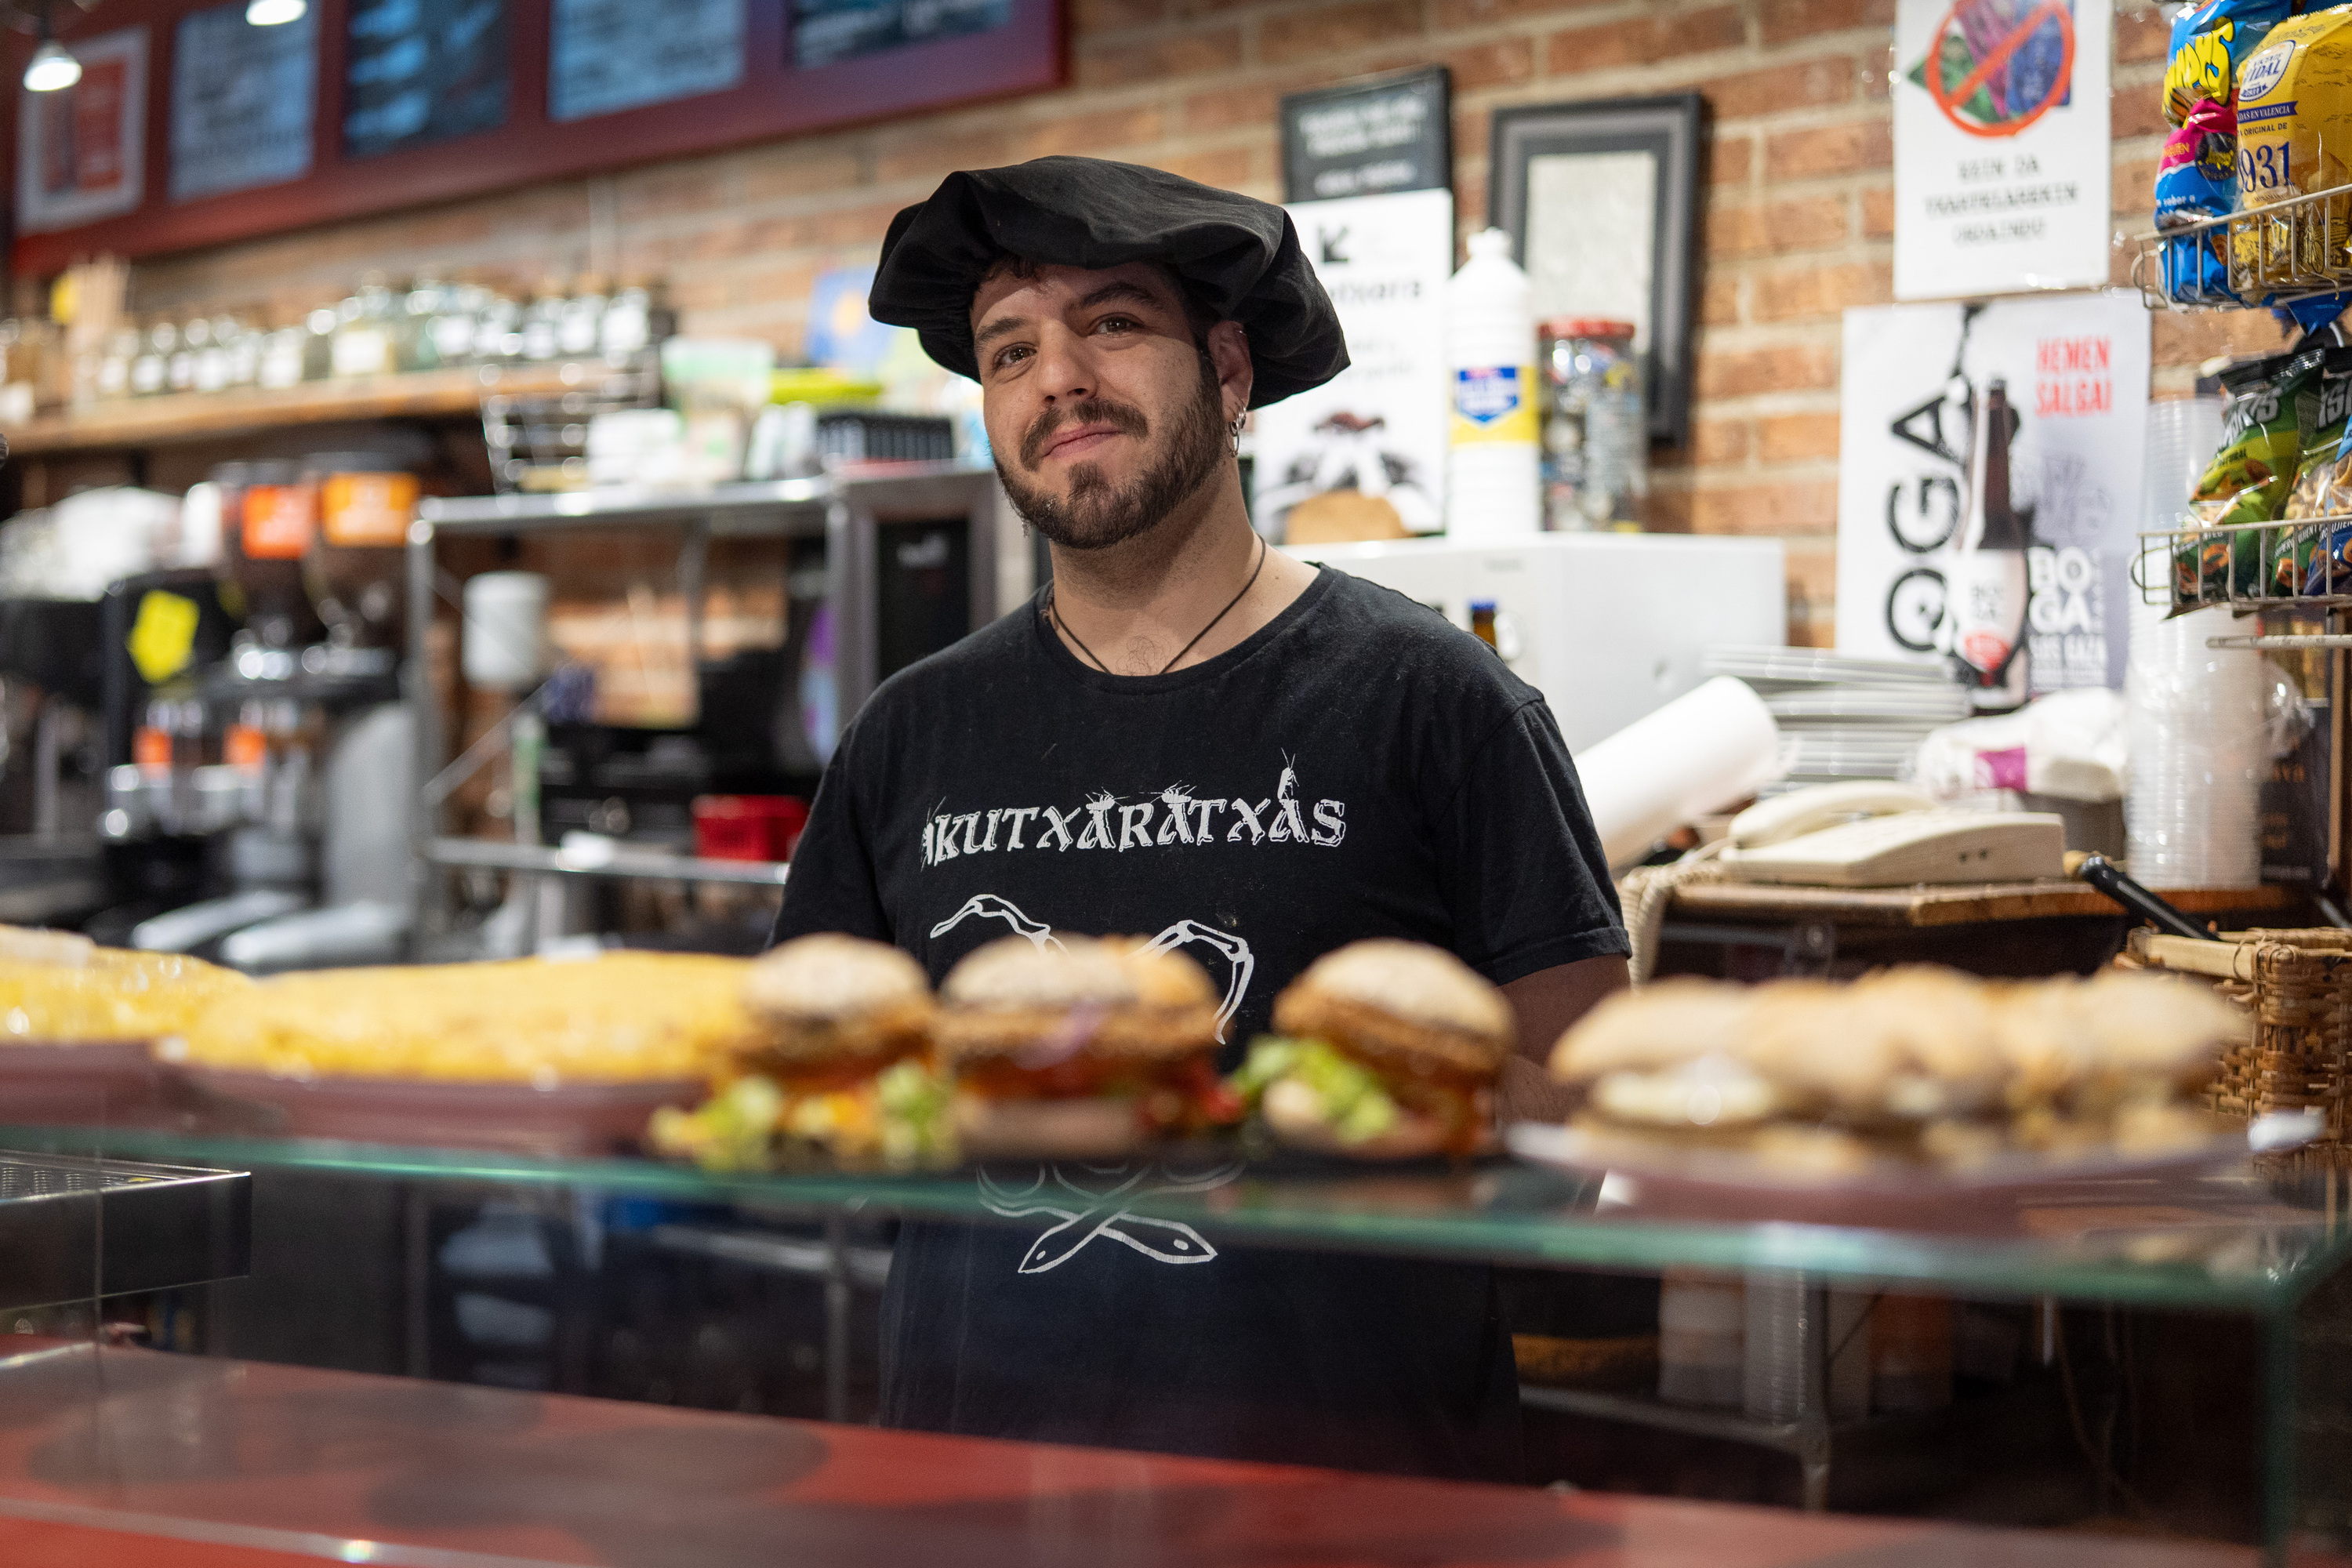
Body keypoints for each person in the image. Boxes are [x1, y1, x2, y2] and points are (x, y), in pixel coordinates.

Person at [772, 156, 1631, 1480]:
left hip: (1354, 1503)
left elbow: (1581, 1121)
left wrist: (1313, 1120)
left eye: (1112, 323)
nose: (1058, 379)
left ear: (1229, 369)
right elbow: (813, 1108)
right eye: (1009, 351)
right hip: (978, 1490)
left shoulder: (1436, 700)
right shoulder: (909, 732)